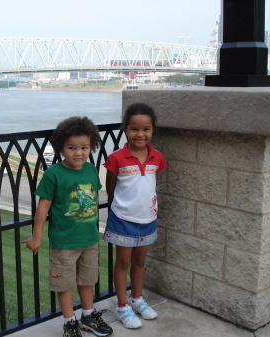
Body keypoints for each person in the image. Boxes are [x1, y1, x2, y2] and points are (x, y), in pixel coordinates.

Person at [22, 116, 113, 337]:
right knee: (64, 284)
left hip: (89, 240)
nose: (79, 153)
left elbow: (95, 198)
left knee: (88, 280)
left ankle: (88, 315)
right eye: (72, 147)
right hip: (64, 243)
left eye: (84, 147)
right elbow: (43, 208)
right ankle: (69, 321)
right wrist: (36, 237)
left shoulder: (91, 169)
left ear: (91, 147)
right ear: (61, 147)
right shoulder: (54, 174)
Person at [103, 102, 167, 329]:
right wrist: (119, 206)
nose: (140, 134)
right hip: (123, 220)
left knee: (140, 262)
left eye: (146, 129)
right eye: (134, 129)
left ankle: (137, 299)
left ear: (153, 130)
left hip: (148, 219)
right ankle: (122, 306)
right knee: (123, 262)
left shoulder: (157, 157)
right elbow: (111, 187)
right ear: (125, 130)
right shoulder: (117, 158)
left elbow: (150, 184)